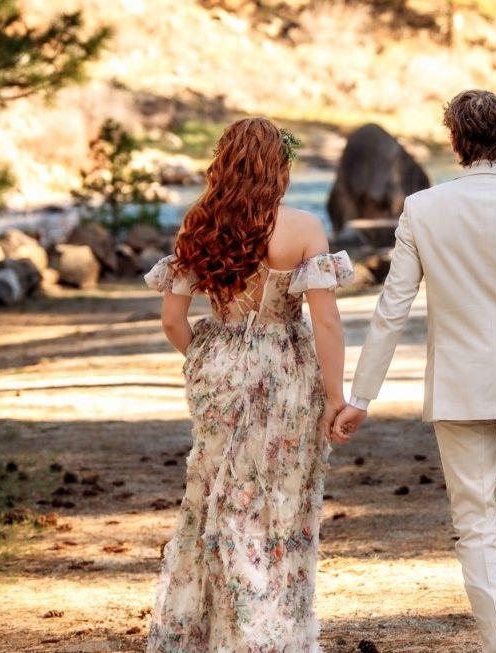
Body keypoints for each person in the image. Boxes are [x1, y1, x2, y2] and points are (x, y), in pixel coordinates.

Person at [331, 90, 496, 653]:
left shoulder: (422, 209)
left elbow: (392, 310)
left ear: (455, 140)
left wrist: (362, 396)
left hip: (458, 387)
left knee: (474, 522)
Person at [142, 117, 355, 651]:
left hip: (220, 369)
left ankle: (215, 630)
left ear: (224, 164)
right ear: (278, 167)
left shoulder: (200, 224)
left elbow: (172, 321)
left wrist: (209, 360)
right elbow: (326, 323)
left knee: (217, 496)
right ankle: (268, 632)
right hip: (286, 372)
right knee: (281, 499)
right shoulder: (303, 228)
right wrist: (337, 397)